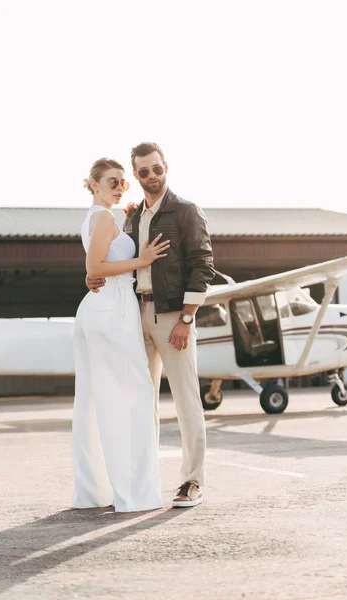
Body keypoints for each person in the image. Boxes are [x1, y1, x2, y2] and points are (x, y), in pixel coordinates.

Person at [87, 143, 215, 507]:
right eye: (143, 172)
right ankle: (142, 481)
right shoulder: (130, 217)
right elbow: (119, 261)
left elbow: (202, 264)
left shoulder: (186, 211)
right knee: (140, 402)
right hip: (134, 315)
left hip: (174, 315)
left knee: (187, 399)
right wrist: (93, 278)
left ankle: (192, 481)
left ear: (166, 168)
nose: (151, 176)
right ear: (136, 176)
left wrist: (187, 318)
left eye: (156, 169)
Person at [71, 157, 170, 513]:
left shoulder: (102, 217)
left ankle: (96, 489)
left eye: (122, 182)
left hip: (107, 306)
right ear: (94, 183)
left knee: (99, 400)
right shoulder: (101, 217)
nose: (119, 186)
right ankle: (133, 493)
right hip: (111, 309)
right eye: (112, 181)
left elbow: (98, 264)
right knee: (132, 397)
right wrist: (141, 261)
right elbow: (95, 266)